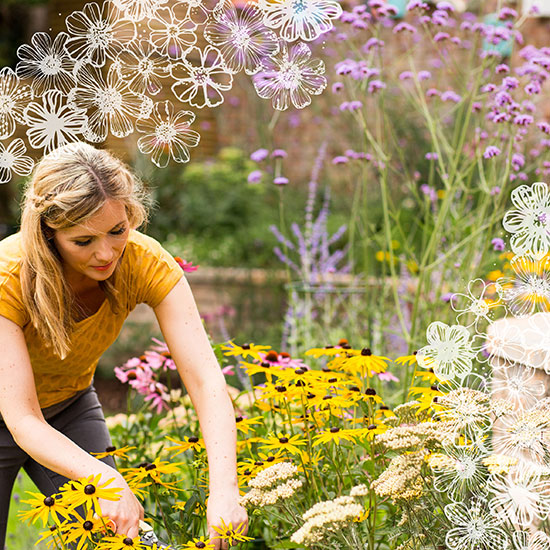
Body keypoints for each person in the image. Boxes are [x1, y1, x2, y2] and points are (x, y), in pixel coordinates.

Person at [0, 142, 247, 549]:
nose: (105, 253)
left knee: (117, 541)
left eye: (117, 231)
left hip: (68, 406)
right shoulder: (10, 276)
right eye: (83, 241)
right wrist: (106, 478)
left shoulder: (144, 263)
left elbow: (205, 379)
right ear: (48, 233)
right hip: (11, 412)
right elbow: (22, 417)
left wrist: (224, 489)